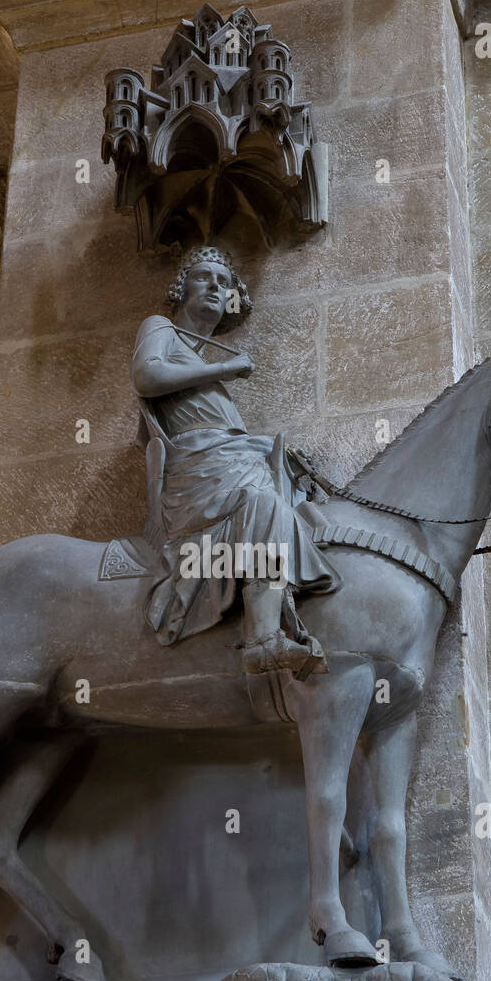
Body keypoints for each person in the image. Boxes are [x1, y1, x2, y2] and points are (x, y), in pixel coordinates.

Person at [131, 246, 340, 676]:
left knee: (302, 508)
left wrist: (265, 447)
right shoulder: (161, 329)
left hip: (224, 463)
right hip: (196, 474)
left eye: (224, 282)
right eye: (203, 277)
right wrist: (222, 372)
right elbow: (146, 376)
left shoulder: (202, 359)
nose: (214, 286)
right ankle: (263, 640)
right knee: (263, 505)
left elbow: (221, 435)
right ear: (182, 286)